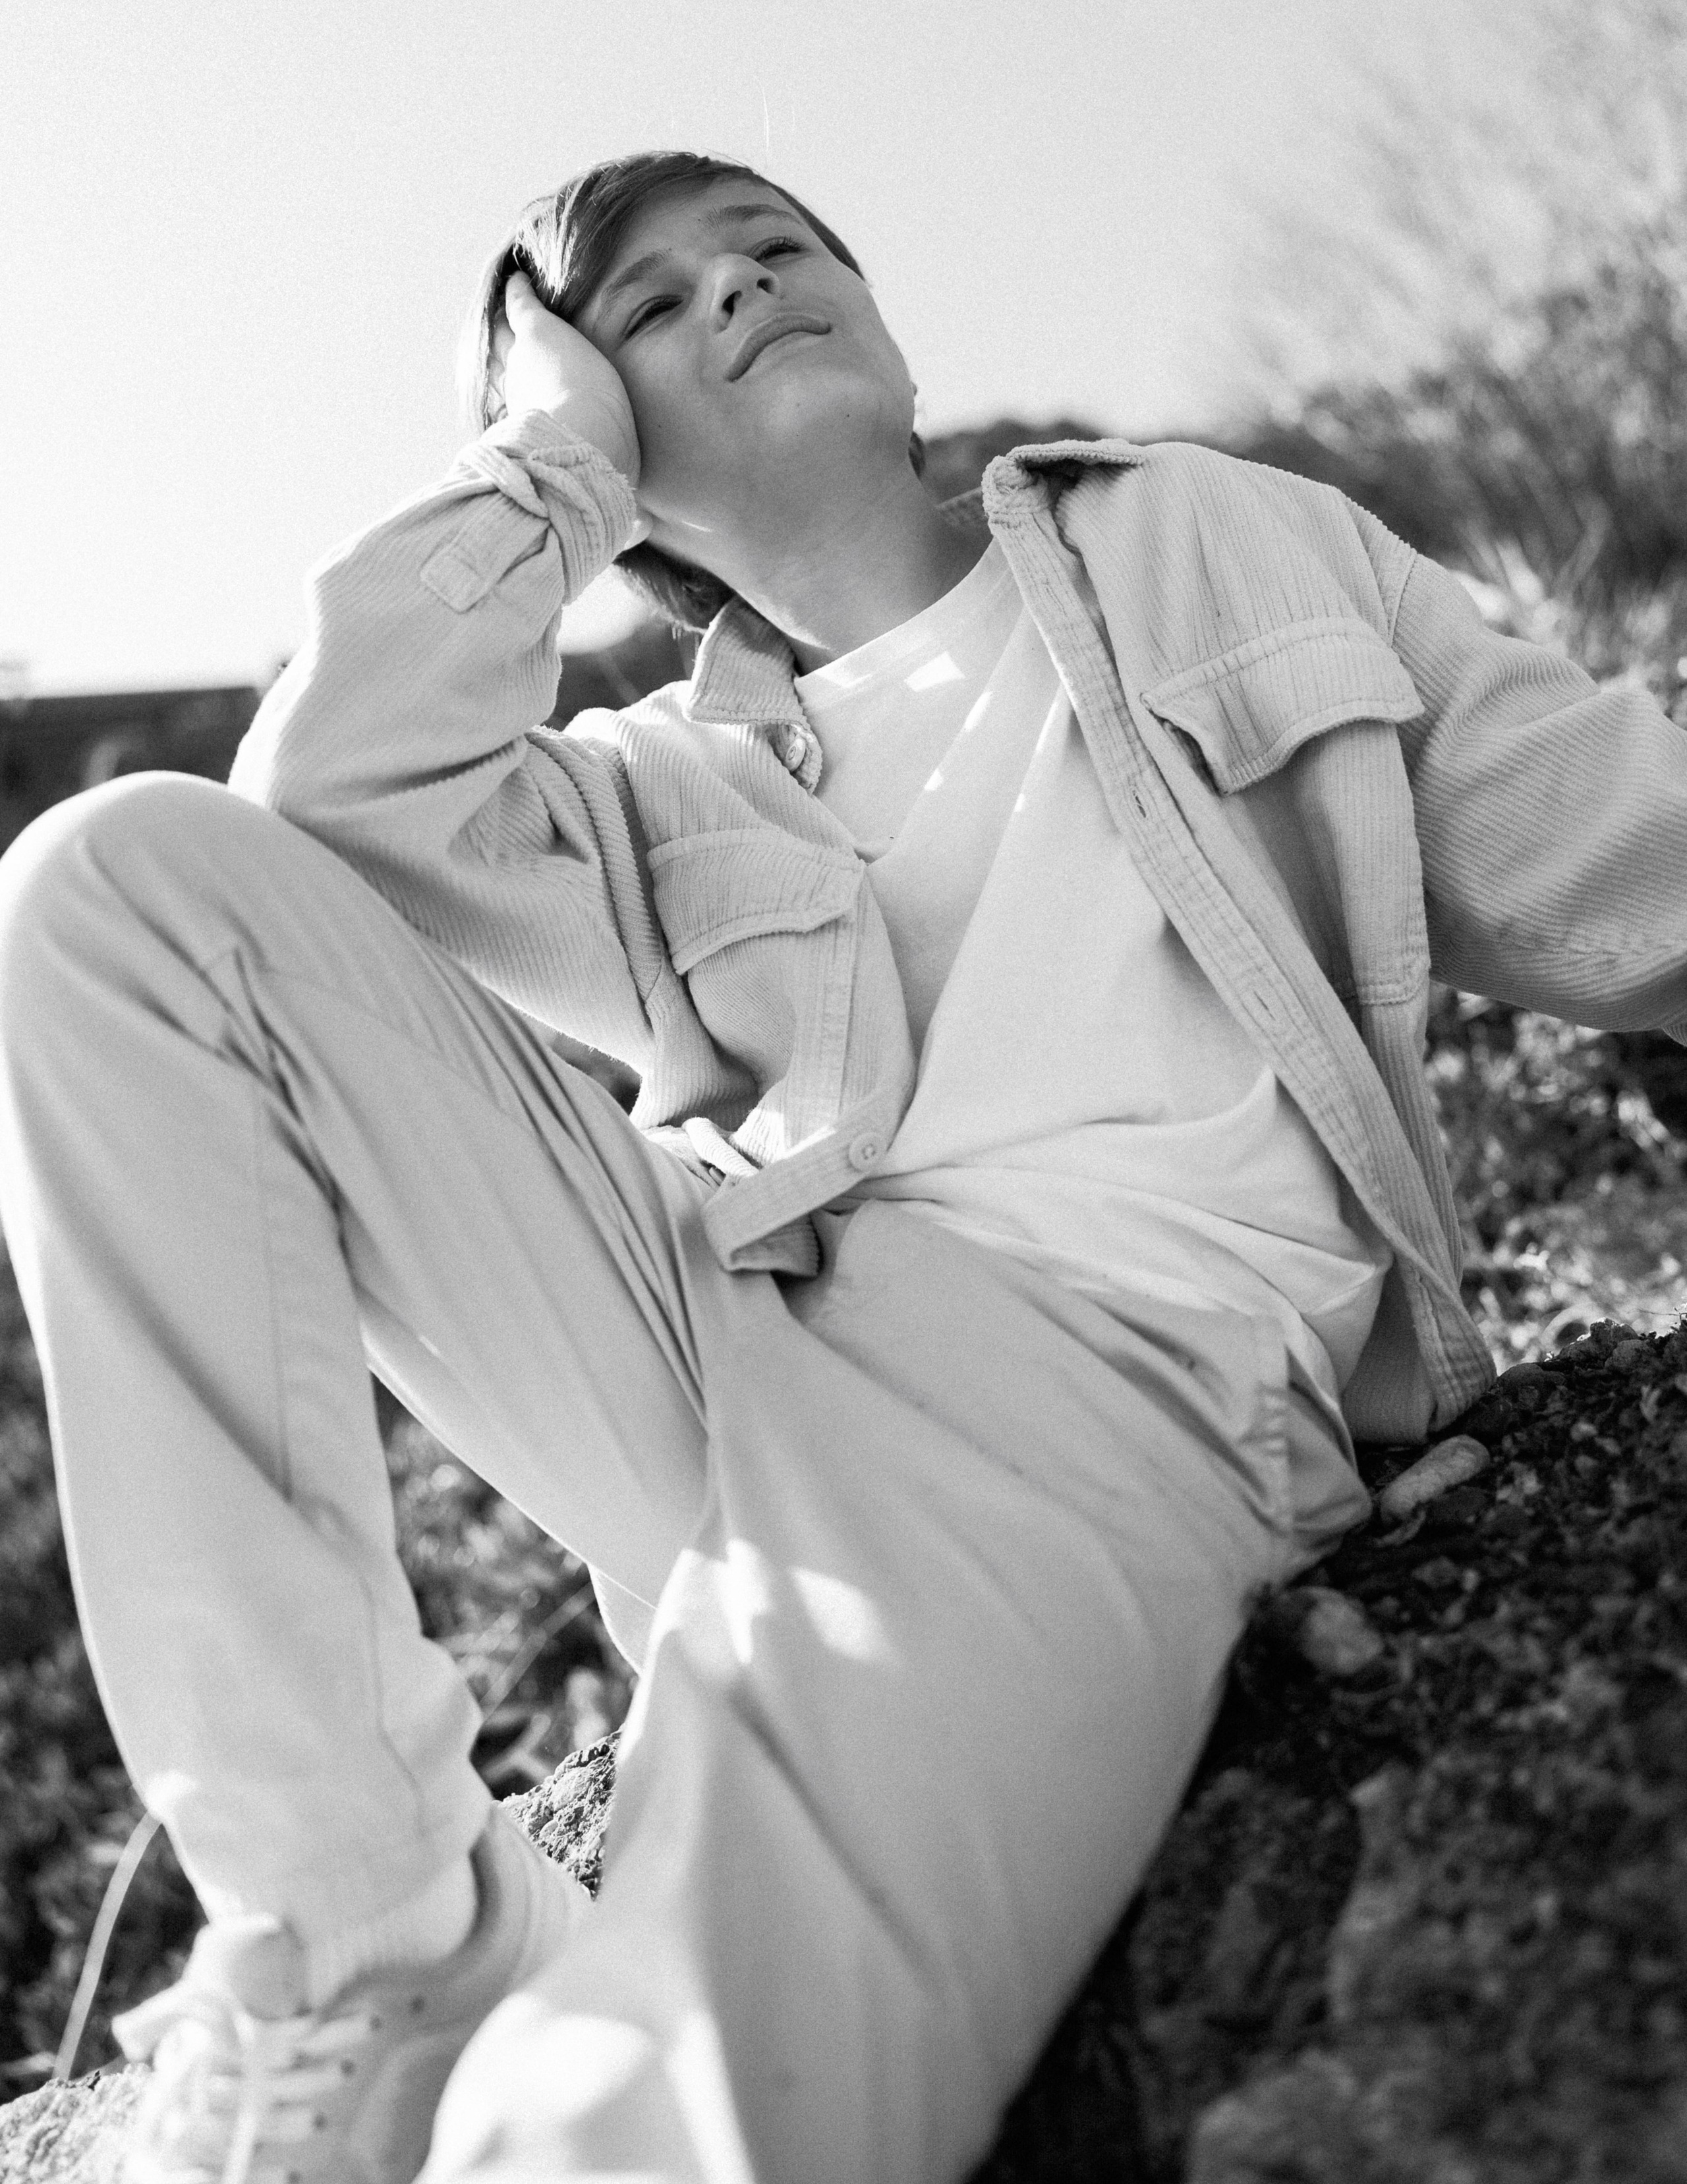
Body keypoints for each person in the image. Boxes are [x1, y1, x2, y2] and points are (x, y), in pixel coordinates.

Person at [2, 148, 1684, 2184]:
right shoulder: (650, 782)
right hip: (730, 1327)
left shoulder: (1208, 539)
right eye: (646, 309)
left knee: (723, 2077)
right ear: (609, 458)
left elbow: (1621, 843)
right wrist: (545, 467)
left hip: (1118, 1349)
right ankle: (376, 1935)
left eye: (778, 250)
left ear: (888, 331)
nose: (734, 289)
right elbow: (327, 797)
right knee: (111, 887)